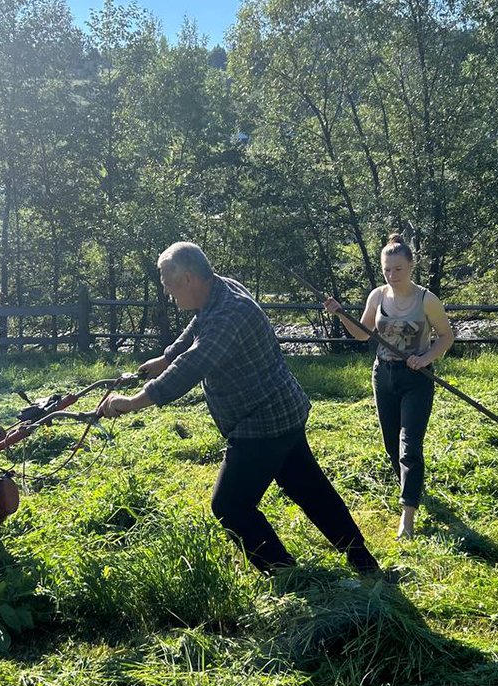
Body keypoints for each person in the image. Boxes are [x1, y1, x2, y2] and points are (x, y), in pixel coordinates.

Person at [97, 242, 380, 576]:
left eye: (170, 287)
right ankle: (363, 562)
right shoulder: (219, 288)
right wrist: (167, 356)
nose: (169, 296)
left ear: (188, 279)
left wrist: (131, 402)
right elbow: (196, 329)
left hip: (261, 422)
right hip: (280, 408)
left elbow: (193, 366)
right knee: (309, 488)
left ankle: (285, 573)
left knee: (230, 505)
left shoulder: (229, 314)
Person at [323, 235, 455, 539]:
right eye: (387, 270)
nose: (392, 276)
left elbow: (447, 336)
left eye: (398, 269)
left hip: (416, 379)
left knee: (409, 445)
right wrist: (340, 314)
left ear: (410, 266)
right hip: (383, 376)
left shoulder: (426, 299)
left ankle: (407, 517)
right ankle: (413, 487)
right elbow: (361, 335)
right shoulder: (378, 296)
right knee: (391, 445)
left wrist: (425, 358)